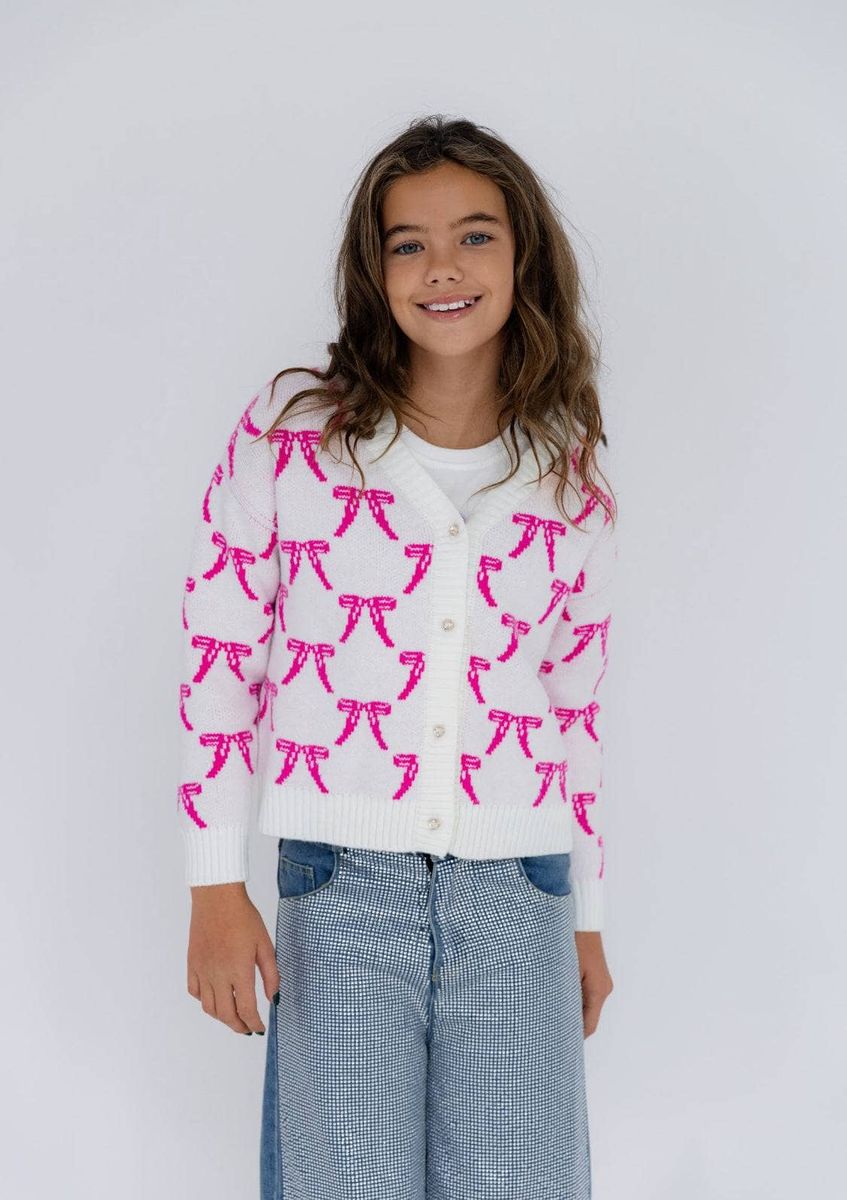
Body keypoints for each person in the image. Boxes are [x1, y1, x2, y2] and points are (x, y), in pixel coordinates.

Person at [177, 114, 619, 1199]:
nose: (442, 267)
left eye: (475, 236)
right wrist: (214, 885)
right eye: (407, 243)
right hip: (341, 888)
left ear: (522, 256)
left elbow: (574, 707)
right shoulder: (294, 436)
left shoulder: (568, 474)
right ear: (375, 273)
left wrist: (588, 919)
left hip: (521, 892)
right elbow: (219, 660)